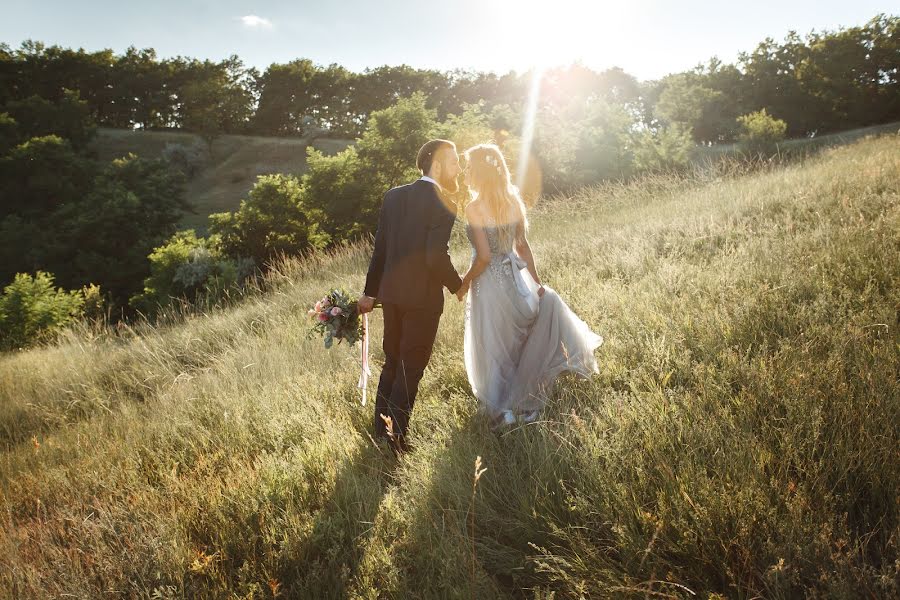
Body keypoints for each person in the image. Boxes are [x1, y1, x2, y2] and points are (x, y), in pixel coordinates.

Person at [456, 143, 603, 429]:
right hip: (516, 281)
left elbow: (485, 257)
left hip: (488, 286)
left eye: (469, 168)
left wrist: (463, 282)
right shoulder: (512, 201)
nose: (466, 173)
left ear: (480, 172)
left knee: (494, 348)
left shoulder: (474, 207)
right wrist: (535, 283)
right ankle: (520, 401)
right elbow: (521, 246)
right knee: (517, 342)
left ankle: (504, 409)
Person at [357, 139, 463, 454]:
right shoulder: (444, 202)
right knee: (409, 367)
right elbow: (434, 256)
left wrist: (370, 293)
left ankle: (380, 431)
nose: (458, 168)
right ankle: (397, 440)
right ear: (439, 164)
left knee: (392, 362)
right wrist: (457, 285)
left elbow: (381, 250)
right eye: (455, 162)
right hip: (422, 300)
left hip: (391, 296)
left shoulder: (393, 197)